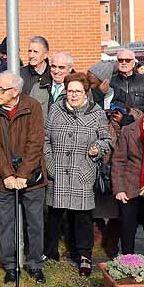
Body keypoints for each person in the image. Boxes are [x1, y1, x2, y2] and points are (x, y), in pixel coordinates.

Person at [43, 71, 111, 276]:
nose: (73, 95)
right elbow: (45, 139)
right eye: (70, 90)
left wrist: (97, 148)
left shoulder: (96, 112)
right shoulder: (55, 109)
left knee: (82, 216)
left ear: (86, 92)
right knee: (54, 214)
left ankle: (84, 256)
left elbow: (107, 140)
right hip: (59, 170)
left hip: (82, 170)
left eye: (78, 91)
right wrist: (51, 164)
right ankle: (50, 251)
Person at [0, 71, 46, 284]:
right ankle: (10, 265)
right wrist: (8, 174)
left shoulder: (33, 106)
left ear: (15, 92)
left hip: (31, 176)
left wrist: (22, 175)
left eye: (2, 90)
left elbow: (35, 143)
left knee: (35, 223)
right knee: (6, 223)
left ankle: (35, 264)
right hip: (4, 177)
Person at [108, 97, 144, 267]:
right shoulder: (129, 131)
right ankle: (127, 265)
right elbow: (118, 161)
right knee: (127, 229)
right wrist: (119, 189)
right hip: (129, 187)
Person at [20, 36, 52, 109]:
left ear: (45, 55)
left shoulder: (53, 74)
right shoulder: (20, 74)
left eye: (35, 52)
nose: (31, 55)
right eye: (30, 51)